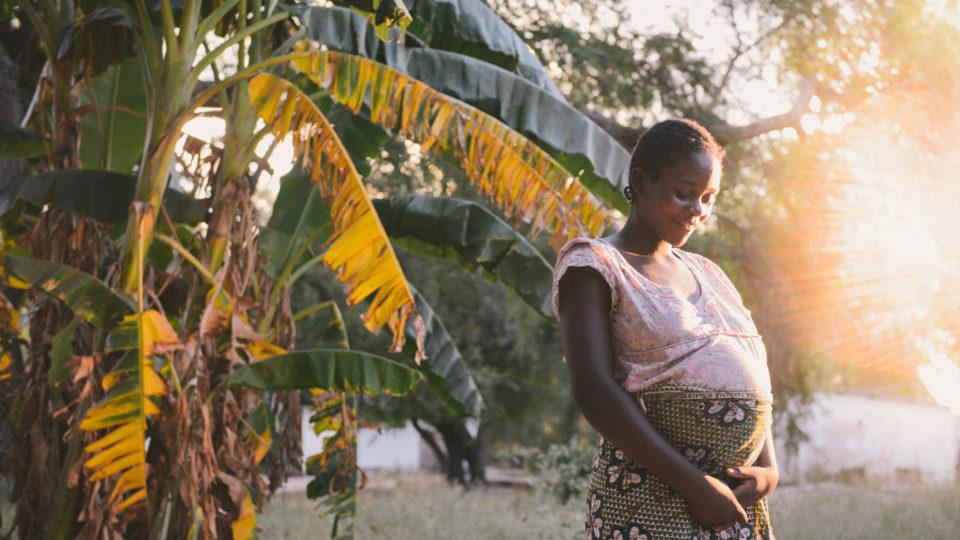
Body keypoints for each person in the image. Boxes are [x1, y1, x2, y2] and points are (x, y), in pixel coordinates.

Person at [552, 119, 778, 539]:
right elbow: (595, 392)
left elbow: (751, 369)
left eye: (708, 198)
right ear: (641, 182)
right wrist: (694, 485)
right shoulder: (595, 265)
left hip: (731, 506)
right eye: (685, 193)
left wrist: (768, 471)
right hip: (649, 501)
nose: (698, 210)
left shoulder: (708, 273)